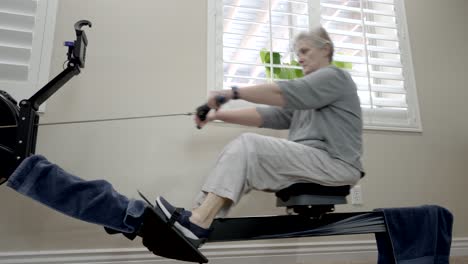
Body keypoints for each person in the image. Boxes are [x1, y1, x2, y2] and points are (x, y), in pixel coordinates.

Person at [156, 26, 364, 245]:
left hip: (337, 163)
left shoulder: (335, 77)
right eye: (298, 54)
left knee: (249, 146)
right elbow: (268, 116)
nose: (300, 59)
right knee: (240, 149)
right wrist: (217, 117)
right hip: (316, 161)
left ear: (326, 50)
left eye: (305, 51)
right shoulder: (310, 95)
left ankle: (198, 223)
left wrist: (231, 93)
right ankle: (196, 217)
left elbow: (284, 92)